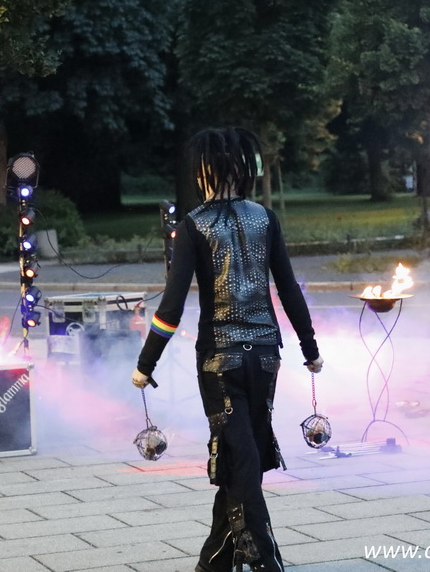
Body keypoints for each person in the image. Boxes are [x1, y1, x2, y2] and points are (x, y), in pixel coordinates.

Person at [131, 126, 323, 572]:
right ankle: (214, 562)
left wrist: (145, 363)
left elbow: (171, 308)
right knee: (244, 458)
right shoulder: (265, 219)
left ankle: (264, 562)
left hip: (220, 360)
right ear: (240, 171)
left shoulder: (193, 225)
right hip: (266, 356)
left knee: (241, 460)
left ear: (203, 173)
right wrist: (310, 348)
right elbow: (288, 289)